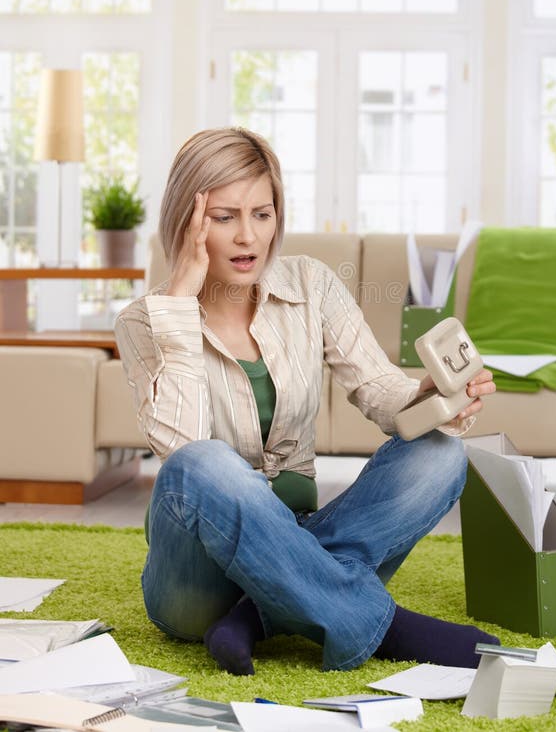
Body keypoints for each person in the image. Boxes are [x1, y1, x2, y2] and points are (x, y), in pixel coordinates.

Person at [115, 126, 498, 677]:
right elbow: (181, 449)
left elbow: (379, 388)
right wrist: (179, 304)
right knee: (203, 462)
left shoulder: (311, 285)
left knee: (439, 452)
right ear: (187, 223)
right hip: (194, 578)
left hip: (296, 532)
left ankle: (256, 616)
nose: (249, 237)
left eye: (262, 214)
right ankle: (382, 625)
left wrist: (428, 394)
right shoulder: (143, 320)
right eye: (224, 218)